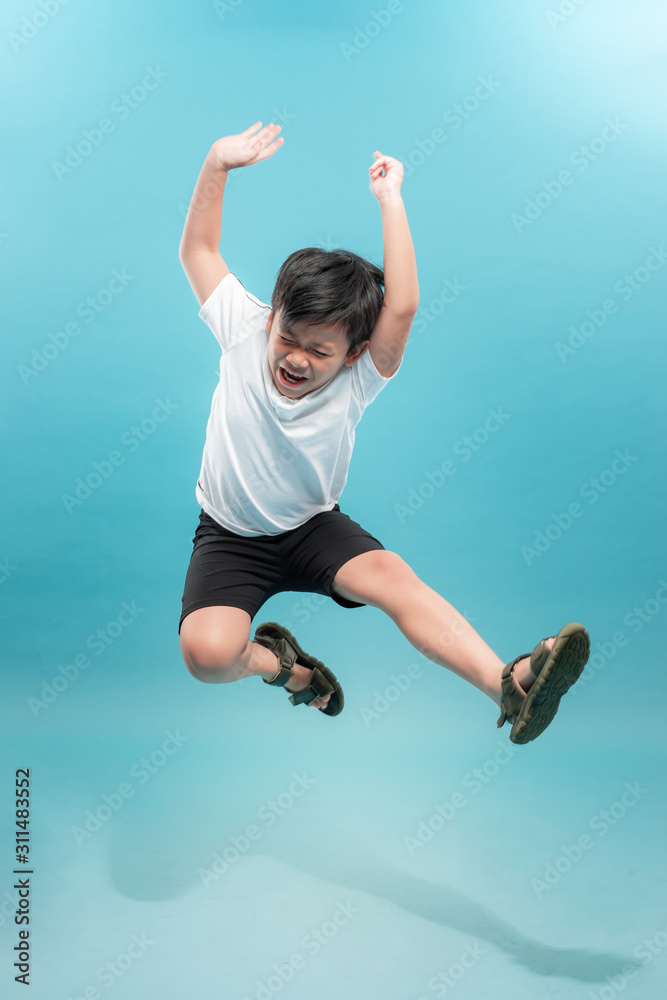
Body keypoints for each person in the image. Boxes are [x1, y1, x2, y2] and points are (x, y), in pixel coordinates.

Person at [177, 120, 590, 744]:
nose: (294, 357)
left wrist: (390, 199)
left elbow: (401, 305)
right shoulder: (245, 326)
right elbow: (199, 252)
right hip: (230, 537)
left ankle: (507, 684)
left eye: (318, 351)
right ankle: (286, 667)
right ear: (273, 319)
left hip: (313, 527)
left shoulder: (361, 376)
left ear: (352, 354)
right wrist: (216, 162)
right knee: (206, 658)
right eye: (288, 336)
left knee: (395, 580)